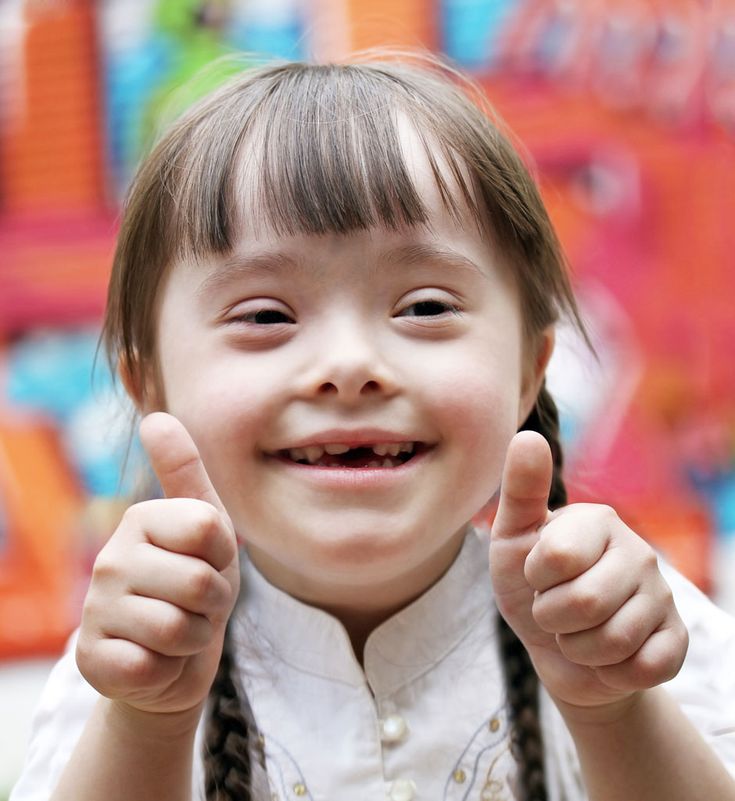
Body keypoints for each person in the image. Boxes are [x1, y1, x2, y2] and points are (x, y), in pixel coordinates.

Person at [10, 52, 735, 801]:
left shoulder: (635, 625)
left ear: (529, 368)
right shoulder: (114, 674)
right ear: (150, 386)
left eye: (423, 306)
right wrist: (145, 724)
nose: (350, 363)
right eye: (265, 315)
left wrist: (615, 709)